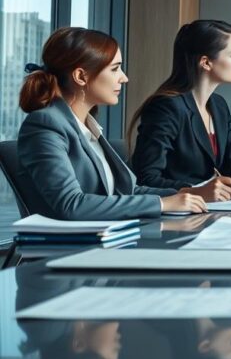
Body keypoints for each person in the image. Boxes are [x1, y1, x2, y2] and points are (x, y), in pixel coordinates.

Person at [17, 27, 206, 219]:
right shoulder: (45, 125)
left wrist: (190, 194)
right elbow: (71, 204)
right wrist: (162, 203)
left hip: (105, 238)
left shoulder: (85, 126)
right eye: (115, 69)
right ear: (81, 76)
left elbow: (127, 191)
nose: (124, 78)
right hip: (68, 246)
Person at [130, 20, 231, 197]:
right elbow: (146, 178)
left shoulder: (219, 105)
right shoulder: (167, 107)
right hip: (175, 214)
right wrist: (197, 191)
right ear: (206, 63)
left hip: (209, 211)